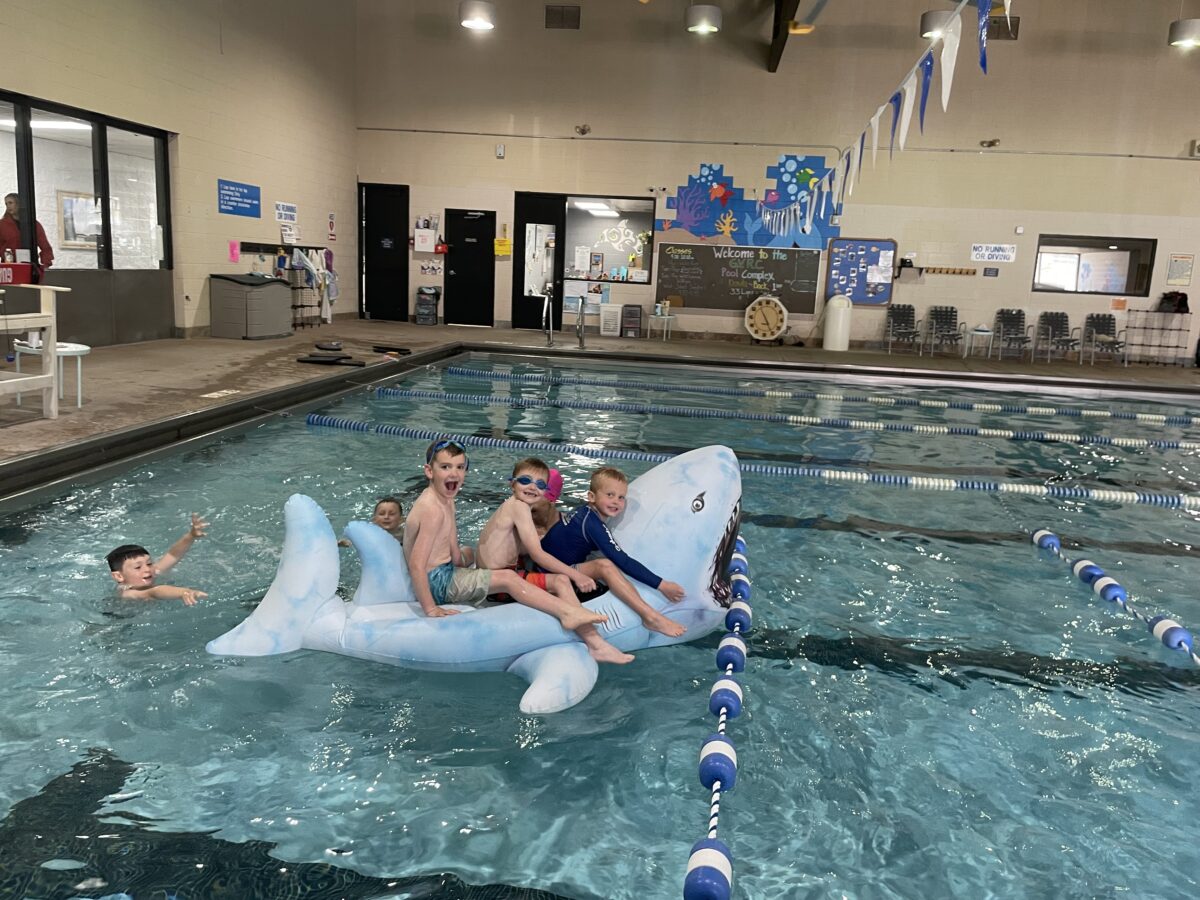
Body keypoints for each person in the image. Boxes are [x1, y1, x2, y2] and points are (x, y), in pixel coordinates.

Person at [403, 441, 624, 663]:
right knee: (518, 579)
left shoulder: (446, 500)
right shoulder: (433, 509)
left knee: (469, 551)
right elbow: (416, 565)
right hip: (437, 582)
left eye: (460, 467)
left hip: (446, 571)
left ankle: (588, 634)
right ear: (429, 471)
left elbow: (455, 554)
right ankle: (574, 620)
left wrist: (467, 564)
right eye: (446, 467)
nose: (454, 473)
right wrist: (430, 609)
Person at [476, 458, 633, 664]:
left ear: (546, 491)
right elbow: (538, 555)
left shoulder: (512, 506)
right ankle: (595, 643)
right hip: (498, 583)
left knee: (553, 574)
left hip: (496, 574)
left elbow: (515, 547)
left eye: (540, 484)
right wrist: (576, 575)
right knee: (561, 580)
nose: (533, 487)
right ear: (512, 483)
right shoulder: (519, 508)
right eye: (525, 480)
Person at [539, 466, 687, 638]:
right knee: (605, 566)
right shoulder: (592, 524)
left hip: (549, 566)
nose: (616, 501)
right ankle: (650, 617)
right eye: (610, 495)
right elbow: (622, 560)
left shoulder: (585, 513)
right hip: (550, 574)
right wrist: (662, 585)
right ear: (591, 497)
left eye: (621, 497)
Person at [106, 513, 209, 605]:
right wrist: (183, 592)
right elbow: (155, 592)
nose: (147, 569)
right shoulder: (128, 593)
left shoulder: (152, 572)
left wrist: (191, 536)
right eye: (138, 567)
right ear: (119, 576)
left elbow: (173, 555)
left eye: (149, 563)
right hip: (126, 617)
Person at [0, 193, 54, 280]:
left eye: (10, 203)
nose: (8, 206)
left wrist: (45, 265)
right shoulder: (2, 225)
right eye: (6, 204)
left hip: (30, 266)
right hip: (9, 268)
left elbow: (45, 246)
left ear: (18, 203)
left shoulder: (33, 224)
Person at [339, 496, 405, 547]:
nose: (386, 517)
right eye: (381, 514)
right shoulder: (370, 534)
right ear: (374, 520)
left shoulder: (405, 534)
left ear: (401, 520)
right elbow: (357, 541)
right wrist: (346, 543)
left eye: (392, 514)